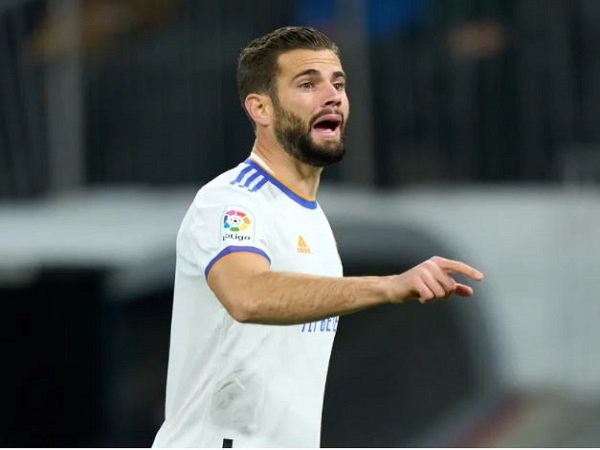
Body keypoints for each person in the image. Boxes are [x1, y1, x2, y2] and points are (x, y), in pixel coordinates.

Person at [152, 26, 484, 448]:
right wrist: (388, 286)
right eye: (308, 84)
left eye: (338, 84)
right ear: (261, 109)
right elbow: (247, 295)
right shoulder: (230, 202)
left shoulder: (312, 220)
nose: (332, 96)